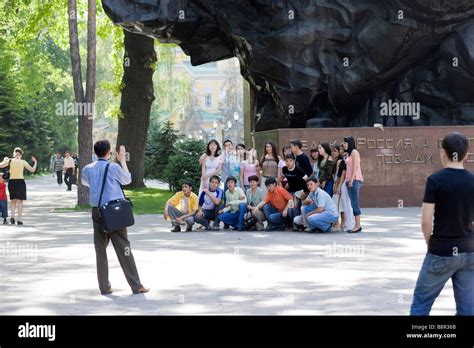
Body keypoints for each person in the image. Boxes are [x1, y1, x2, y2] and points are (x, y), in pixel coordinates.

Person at [410, 132, 474, 316]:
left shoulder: (435, 180)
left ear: (442, 153)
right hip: (469, 252)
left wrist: (431, 242)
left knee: (421, 303)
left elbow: (425, 221)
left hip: (441, 251)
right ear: (466, 155)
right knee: (468, 309)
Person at [81, 140, 149, 295]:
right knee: (124, 248)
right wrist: (123, 160)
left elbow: (86, 183)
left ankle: (104, 287)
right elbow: (127, 180)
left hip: (97, 211)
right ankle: (136, 285)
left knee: (100, 250)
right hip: (113, 211)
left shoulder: (87, 169)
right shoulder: (113, 167)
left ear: (95, 152)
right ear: (108, 152)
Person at [0, 148, 37, 226]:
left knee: (13, 201)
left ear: (14, 153)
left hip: (12, 182)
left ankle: (12, 217)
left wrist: (4, 160)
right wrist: (35, 162)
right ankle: (19, 220)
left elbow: (0, 165)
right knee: (20, 201)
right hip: (20, 182)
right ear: (21, 154)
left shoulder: (10, 161)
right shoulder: (23, 162)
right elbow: (33, 170)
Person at [342, 136, 364, 233]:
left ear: (350, 143)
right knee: (352, 203)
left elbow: (355, 167)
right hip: (349, 180)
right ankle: (356, 225)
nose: (344, 144)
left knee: (355, 203)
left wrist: (351, 180)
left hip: (354, 180)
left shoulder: (355, 152)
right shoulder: (349, 154)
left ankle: (358, 225)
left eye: (345, 143)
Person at [333, 144, 355, 231]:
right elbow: (337, 174)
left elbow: (342, 174)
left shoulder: (343, 160)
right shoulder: (340, 161)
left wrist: (338, 185)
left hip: (343, 184)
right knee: (340, 204)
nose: (341, 151)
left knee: (340, 204)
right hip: (339, 183)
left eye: (341, 149)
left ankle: (343, 223)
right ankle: (342, 223)